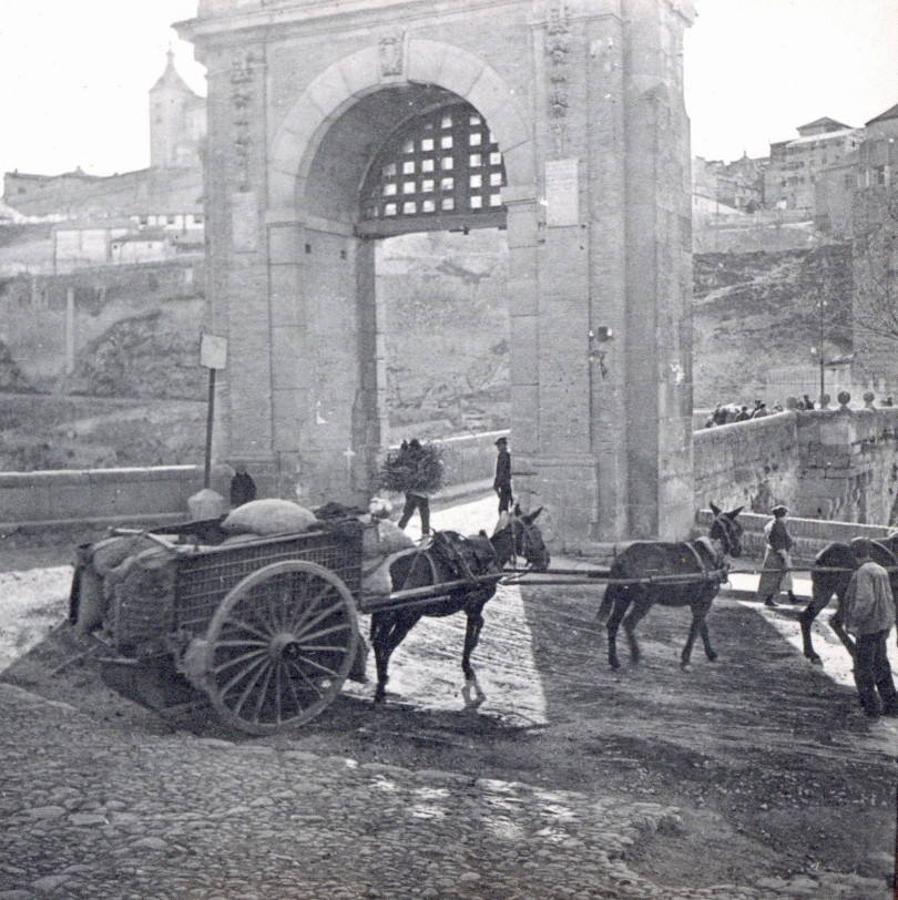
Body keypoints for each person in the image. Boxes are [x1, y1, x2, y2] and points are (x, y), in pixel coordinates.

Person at [840, 540, 898, 718]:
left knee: (862, 668)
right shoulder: (880, 569)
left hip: (869, 626)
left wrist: (854, 622)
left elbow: (865, 601)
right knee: (881, 664)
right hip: (882, 625)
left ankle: (871, 707)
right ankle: (892, 705)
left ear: (854, 554)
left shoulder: (863, 572)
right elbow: (889, 598)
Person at [756, 505, 797, 608]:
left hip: (773, 553)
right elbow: (779, 544)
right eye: (786, 516)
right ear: (782, 516)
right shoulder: (778, 526)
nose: (787, 518)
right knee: (774, 577)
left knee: (781, 576)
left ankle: (791, 596)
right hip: (778, 555)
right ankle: (769, 599)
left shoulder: (772, 524)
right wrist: (785, 557)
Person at [396, 439, 431, 536]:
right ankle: (425, 534)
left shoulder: (406, 458)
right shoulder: (422, 458)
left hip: (410, 492)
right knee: (424, 514)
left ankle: (399, 531)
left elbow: (399, 465)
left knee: (407, 513)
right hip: (421, 492)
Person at [493, 435, 513, 514]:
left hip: (505, 484)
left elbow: (501, 472)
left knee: (502, 509)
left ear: (504, 445)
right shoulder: (506, 455)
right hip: (507, 484)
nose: (498, 447)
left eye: (499, 445)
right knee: (510, 505)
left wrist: (496, 484)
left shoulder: (503, 456)